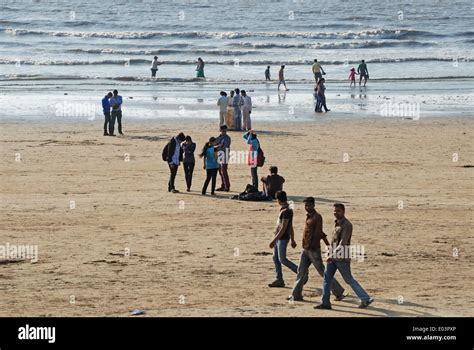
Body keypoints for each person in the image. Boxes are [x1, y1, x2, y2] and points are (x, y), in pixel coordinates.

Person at [315, 203, 374, 310]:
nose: (335, 213)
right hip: (333, 257)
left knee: (349, 279)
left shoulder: (347, 225)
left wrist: (332, 255)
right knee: (327, 279)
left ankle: (365, 298)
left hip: (342, 257)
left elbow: (342, 243)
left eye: (338, 211)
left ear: (343, 211)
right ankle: (325, 303)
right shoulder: (336, 223)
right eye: (334, 211)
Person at [290, 197, 346, 301]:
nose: (307, 207)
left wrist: (321, 246)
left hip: (313, 249)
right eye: (305, 205)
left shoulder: (317, 217)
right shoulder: (309, 216)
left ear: (313, 205)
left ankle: (338, 292)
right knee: (301, 272)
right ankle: (296, 294)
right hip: (305, 248)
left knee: (322, 272)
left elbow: (318, 233)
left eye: (309, 205)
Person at [268, 191, 298, 288]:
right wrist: (293, 239)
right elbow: (290, 226)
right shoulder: (284, 210)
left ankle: (301, 272)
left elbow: (284, 228)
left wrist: (274, 240)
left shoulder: (286, 212)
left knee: (282, 259)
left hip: (282, 238)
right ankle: (279, 279)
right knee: (275, 258)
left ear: (279, 200)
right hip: (279, 238)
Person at [216, 125, 231, 192]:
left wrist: (218, 147)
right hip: (219, 155)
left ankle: (227, 186)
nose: (224, 132)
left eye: (225, 131)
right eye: (223, 131)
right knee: (220, 171)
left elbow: (225, 147)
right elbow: (215, 145)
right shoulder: (218, 138)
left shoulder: (227, 138)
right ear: (220, 130)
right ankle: (223, 185)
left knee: (224, 171)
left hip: (225, 155)